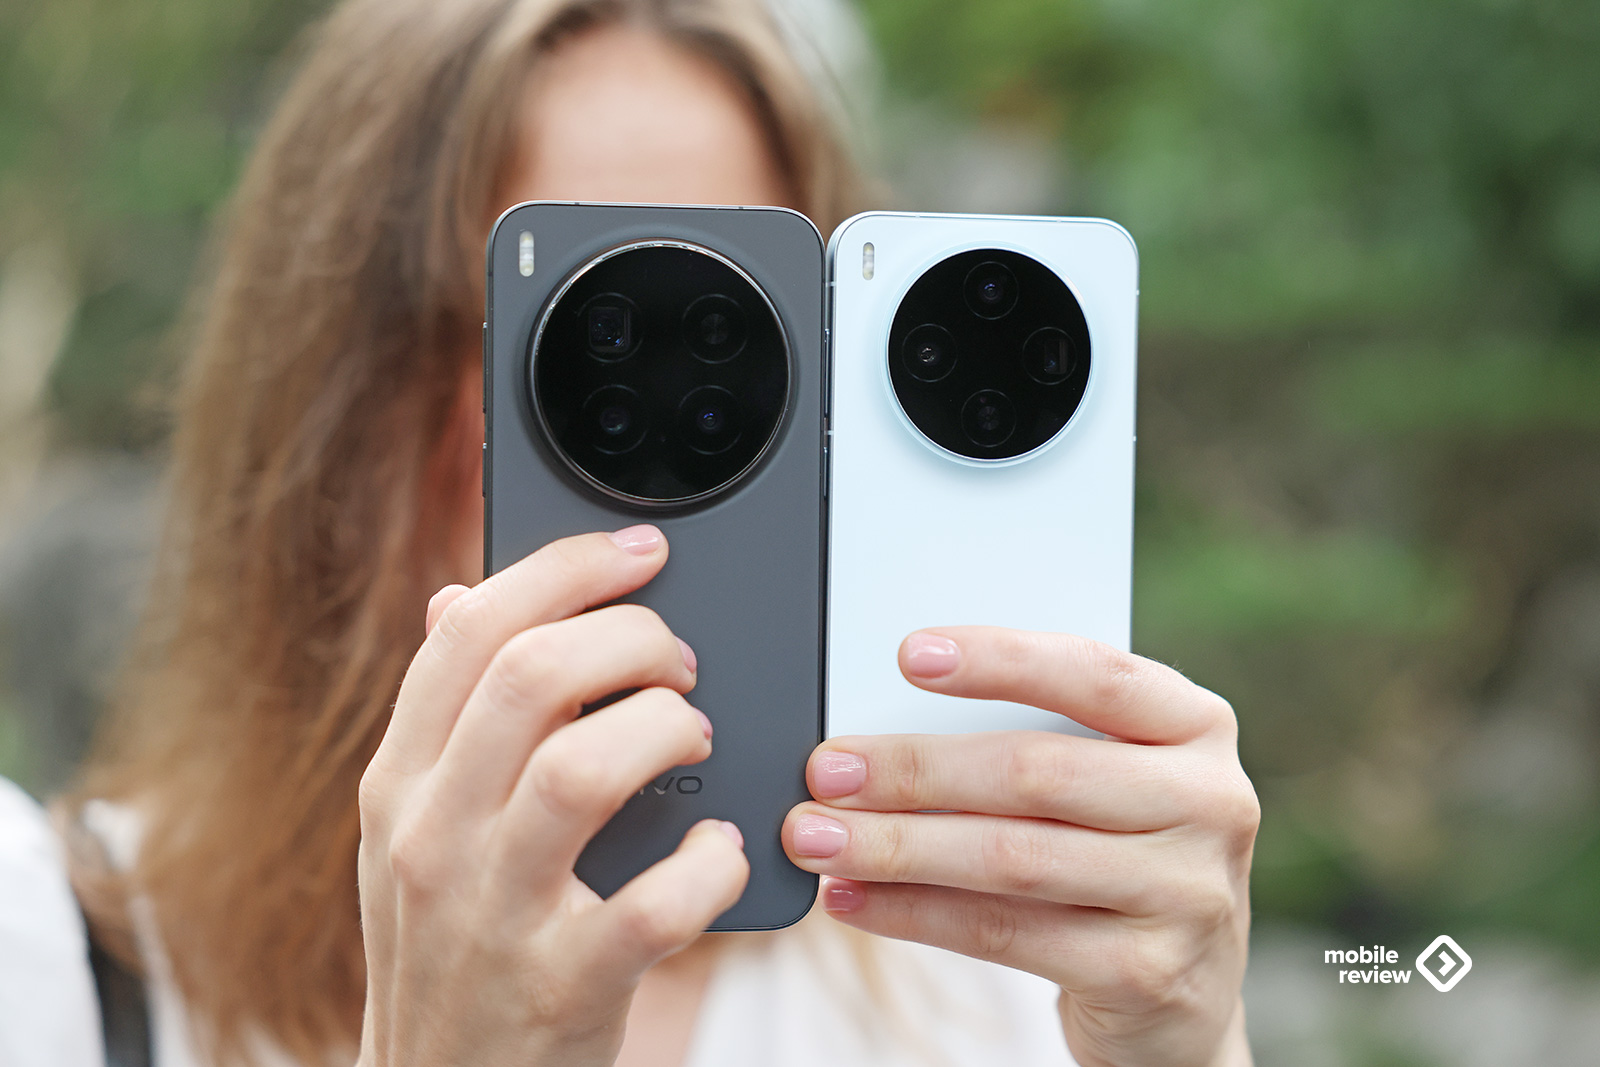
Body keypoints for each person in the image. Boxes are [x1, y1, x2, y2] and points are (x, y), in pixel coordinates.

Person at [0, 1, 1260, 1065]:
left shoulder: (998, 964)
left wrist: (1192, 1051)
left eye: (721, 323)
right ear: (339, 380)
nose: (642, 431)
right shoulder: (50, 961)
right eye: (568, 316)